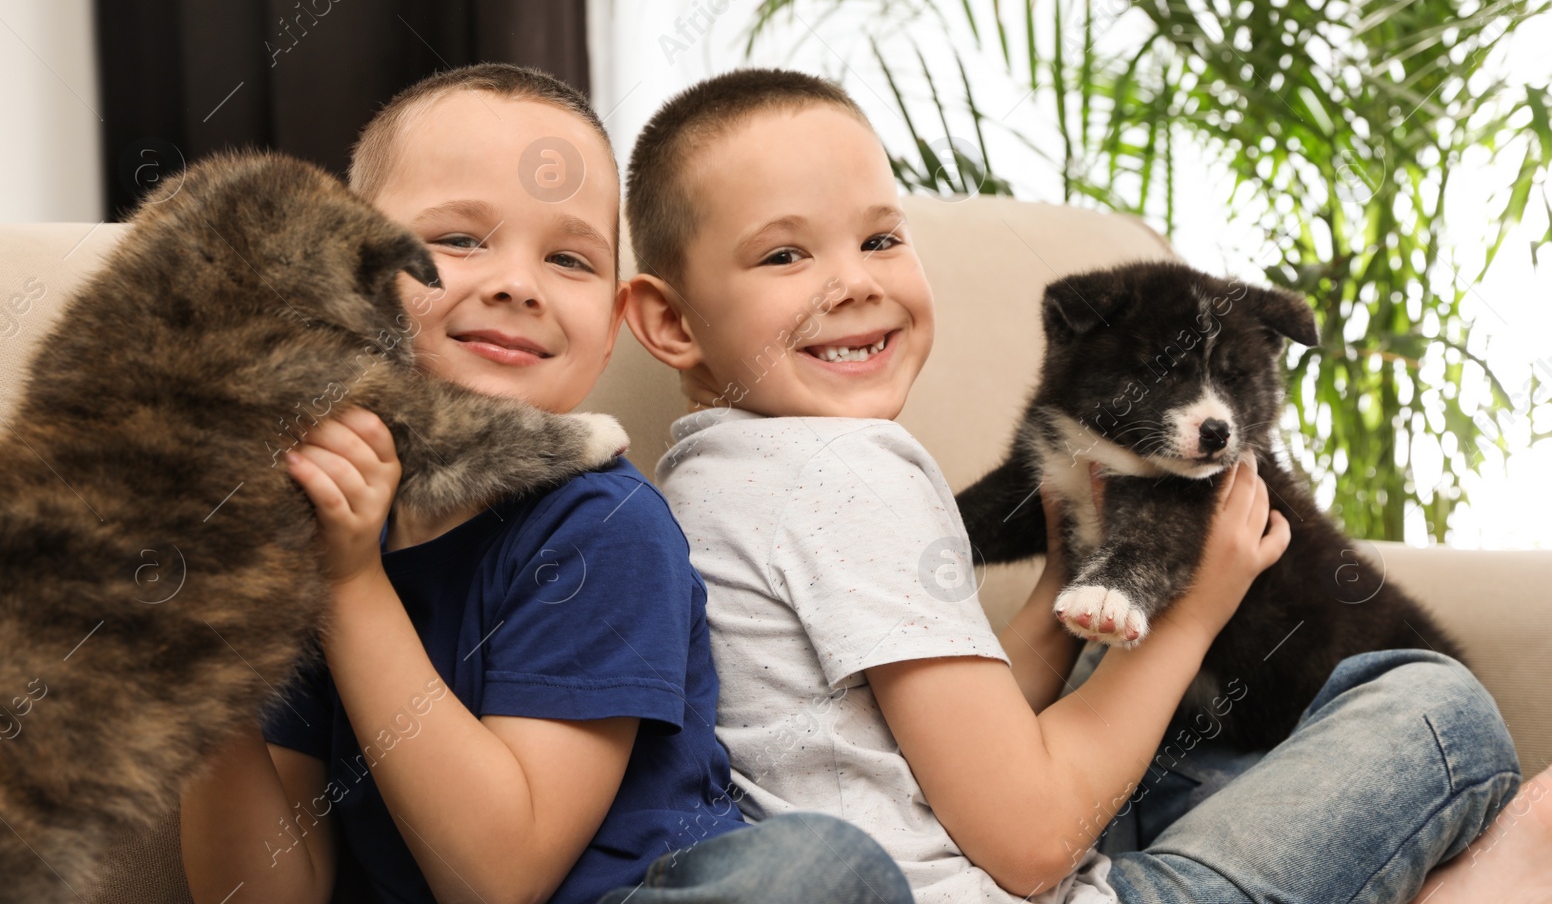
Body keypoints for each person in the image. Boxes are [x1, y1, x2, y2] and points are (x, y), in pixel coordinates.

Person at [621, 66, 1544, 903]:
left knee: (1201, 746)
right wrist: (1197, 605)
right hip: (1033, 886)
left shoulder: (704, 478)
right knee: (1433, 704)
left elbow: (944, 736)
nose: (852, 282)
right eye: (786, 255)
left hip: (955, 841)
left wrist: (1064, 581)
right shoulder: (847, 471)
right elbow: (1031, 841)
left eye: (880, 237)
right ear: (668, 319)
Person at [179, 63, 913, 904]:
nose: (517, 284)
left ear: (611, 323)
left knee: (823, 869)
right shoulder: (305, 532)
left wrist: (351, 583)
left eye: (567, 257)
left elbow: (498, 876)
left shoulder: (606, 526)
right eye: (456, 241)